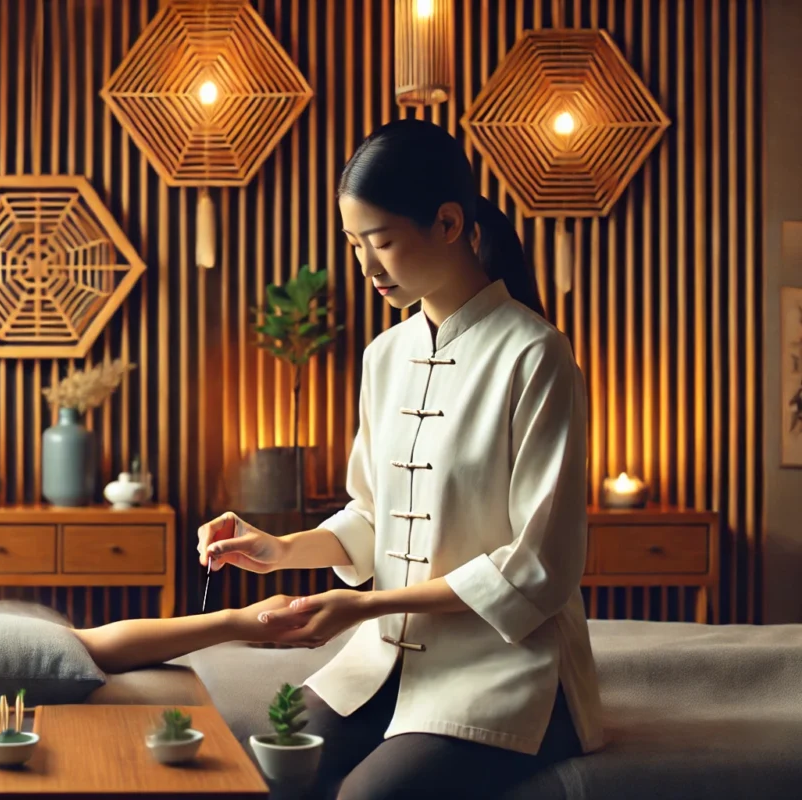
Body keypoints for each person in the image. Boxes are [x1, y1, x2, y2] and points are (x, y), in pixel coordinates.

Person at [69, 117, 602, 799]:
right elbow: (370, 518)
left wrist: (359, 607)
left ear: (447, 223)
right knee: (273, 770)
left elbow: (539, 569)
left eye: (380, 242)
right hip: (387, 662)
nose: (366, 268)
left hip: (503, 673)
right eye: (354, 244)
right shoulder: (385, 357)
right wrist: (280, 549)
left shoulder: (535, 355)